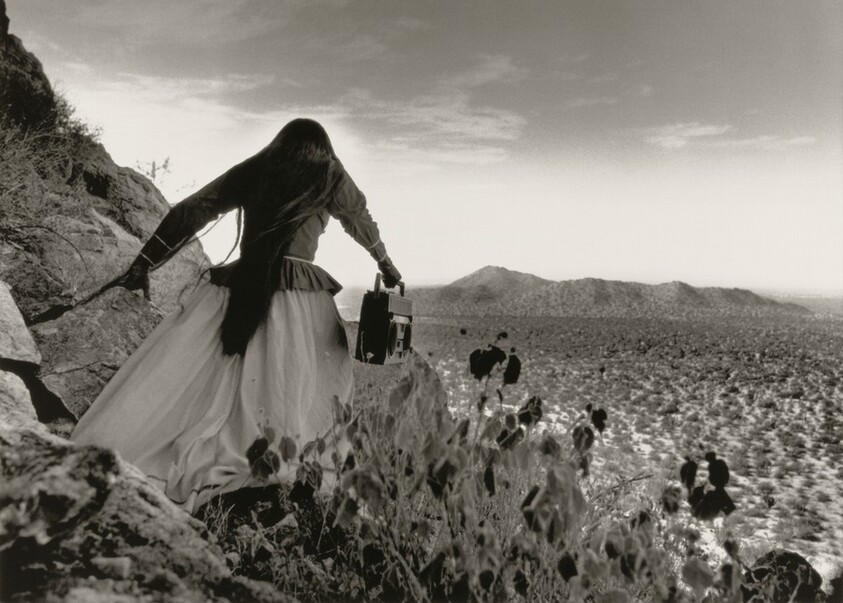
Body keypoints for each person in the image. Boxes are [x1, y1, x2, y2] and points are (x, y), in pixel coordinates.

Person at [71, 118, 402, 513]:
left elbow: (195, 209)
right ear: (323, 149)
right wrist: (386, 265)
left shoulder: (258, 166)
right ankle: (288, 463)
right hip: (300, 296)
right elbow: (359, 219)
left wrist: (145, 262)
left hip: (239, 286)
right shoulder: (329, 172)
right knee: (318, 380)